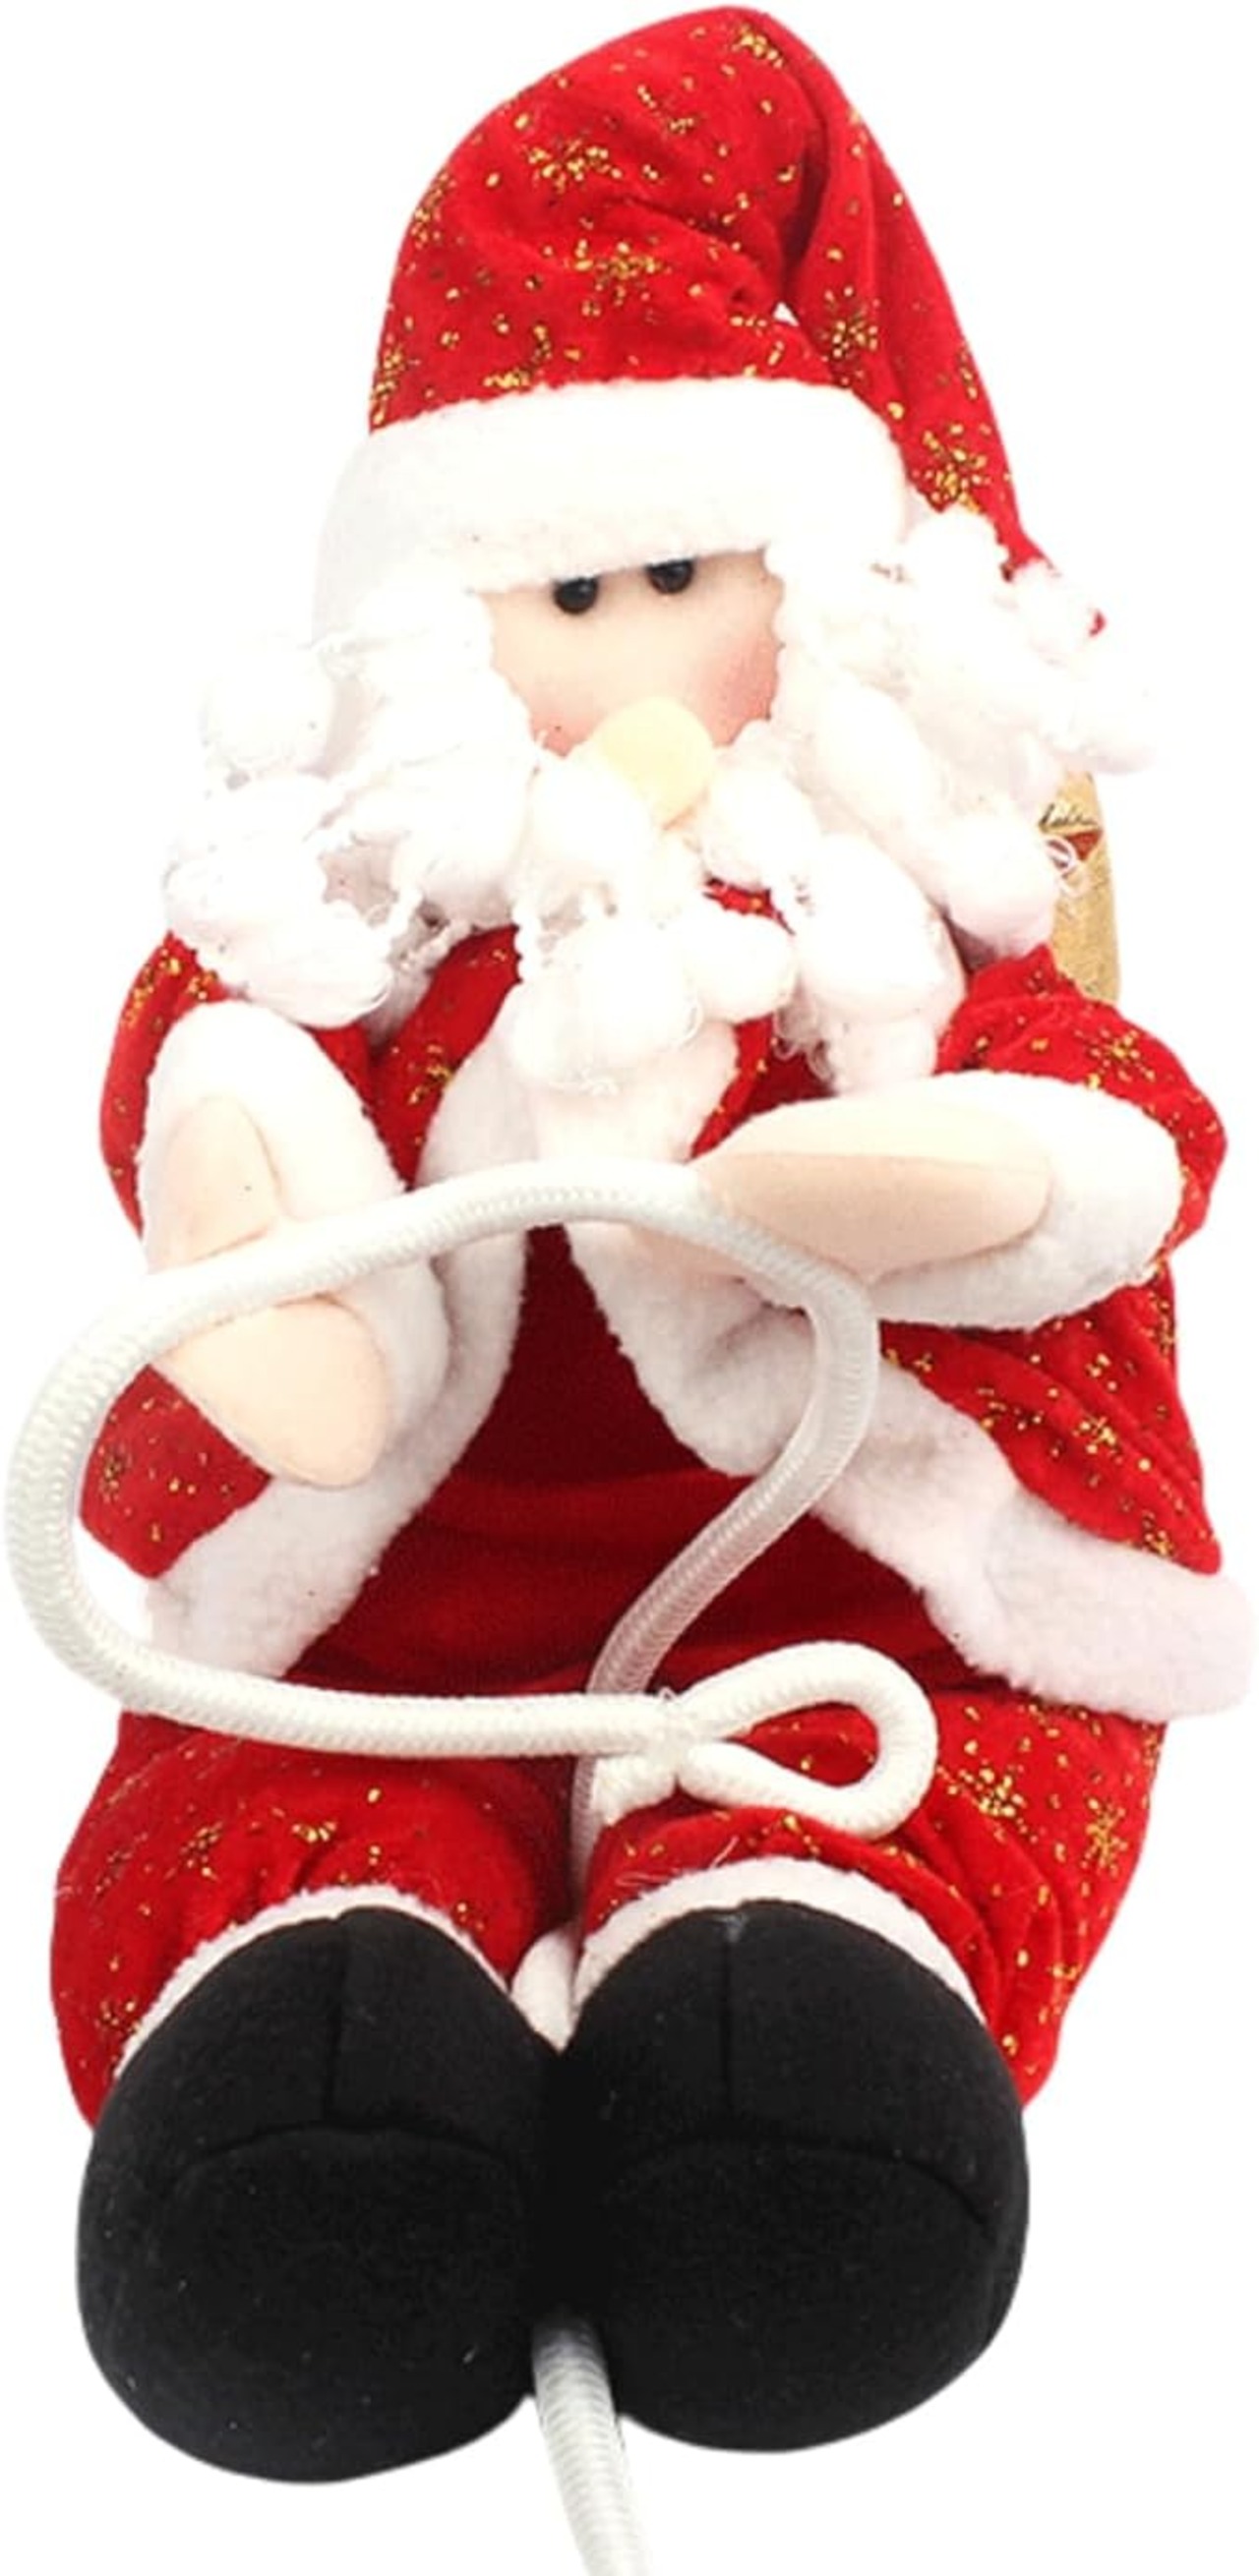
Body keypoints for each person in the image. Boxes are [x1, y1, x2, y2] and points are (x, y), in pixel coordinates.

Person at [51, 5, 1249, 2488]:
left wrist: (935, 1176)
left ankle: (803, 1981)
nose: (600, 658)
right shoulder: (359, 925)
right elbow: (208, 1073)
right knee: (262, 1830)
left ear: (833, 612)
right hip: (392, 1645)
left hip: (838, 1626)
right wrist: (270, 1225)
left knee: (878, 1871)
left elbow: (1105, 1126)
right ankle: (319, 2004)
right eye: (548, 591)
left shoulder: (879, 947)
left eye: (673, 581)